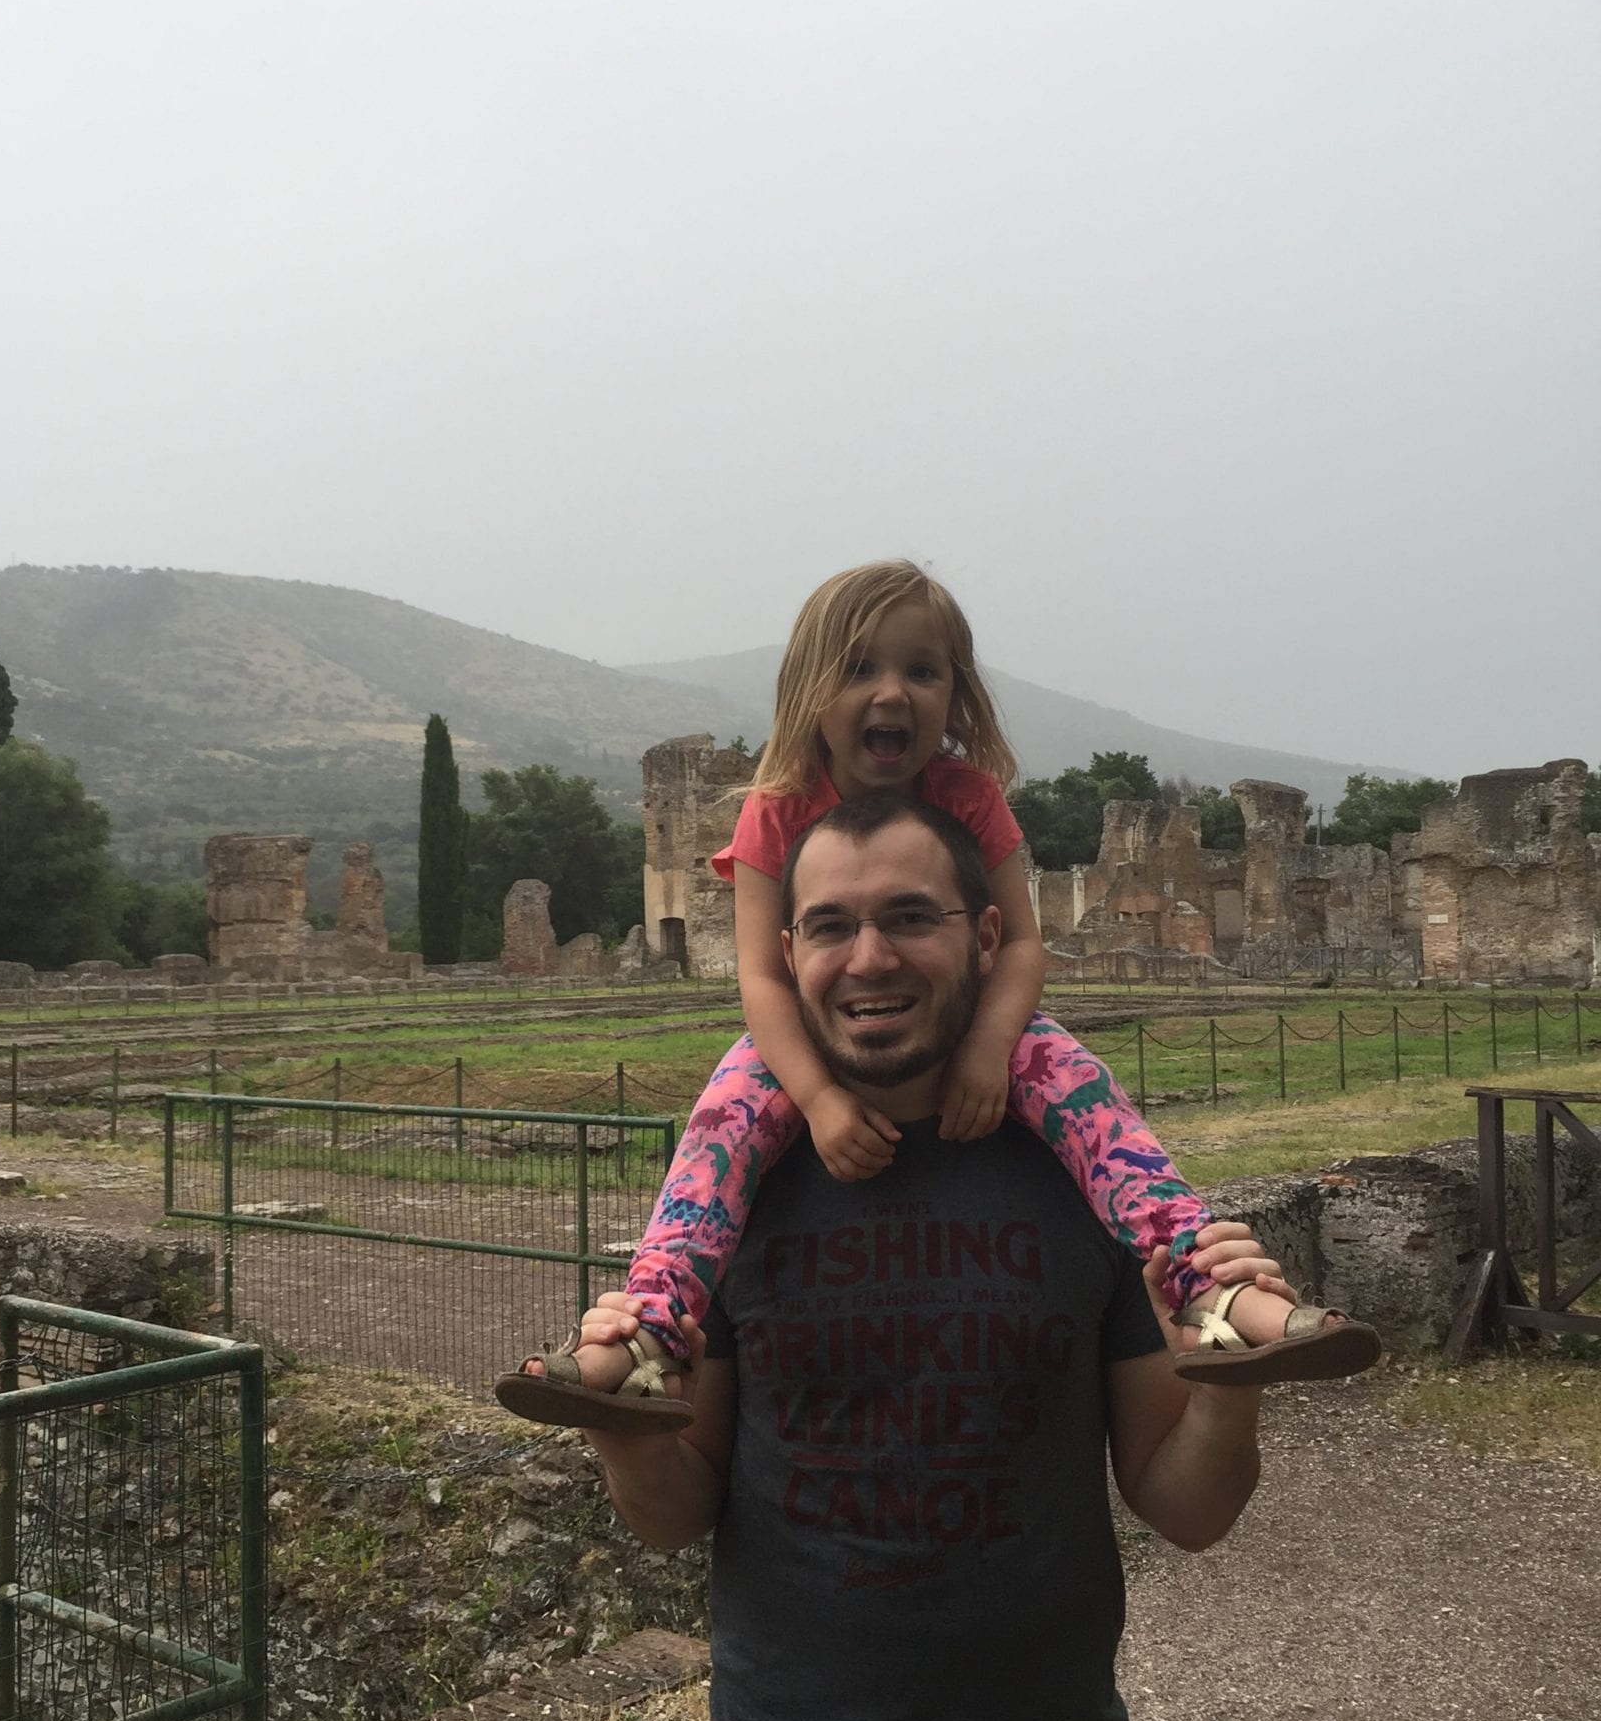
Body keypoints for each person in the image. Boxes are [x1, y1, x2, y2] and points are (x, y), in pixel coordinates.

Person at [586, 789, 1285, 1721]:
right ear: (784, 955)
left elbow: (1183, 1506)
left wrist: (1231, 1389)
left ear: (982, 933)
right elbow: (680, 1511)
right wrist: (623, 1432)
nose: (869, 958)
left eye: (907, 917)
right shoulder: (739, 1188)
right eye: (829, 926)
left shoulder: (1078, 1169)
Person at [497, 557, 1376, 1436]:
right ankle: (647, 1332)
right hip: (808, 1040)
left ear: (955, 694)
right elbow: (764, 975)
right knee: (715, 1143)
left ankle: (1211, 1291)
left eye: (922, 670)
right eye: (860, 668)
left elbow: (1022, 943)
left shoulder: (968, 794)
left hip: (980, 1015)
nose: (893, 692)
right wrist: (819, 1097)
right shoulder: (779, 804)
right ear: (810, 691)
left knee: (1101, 1117)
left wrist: (991, 1047)